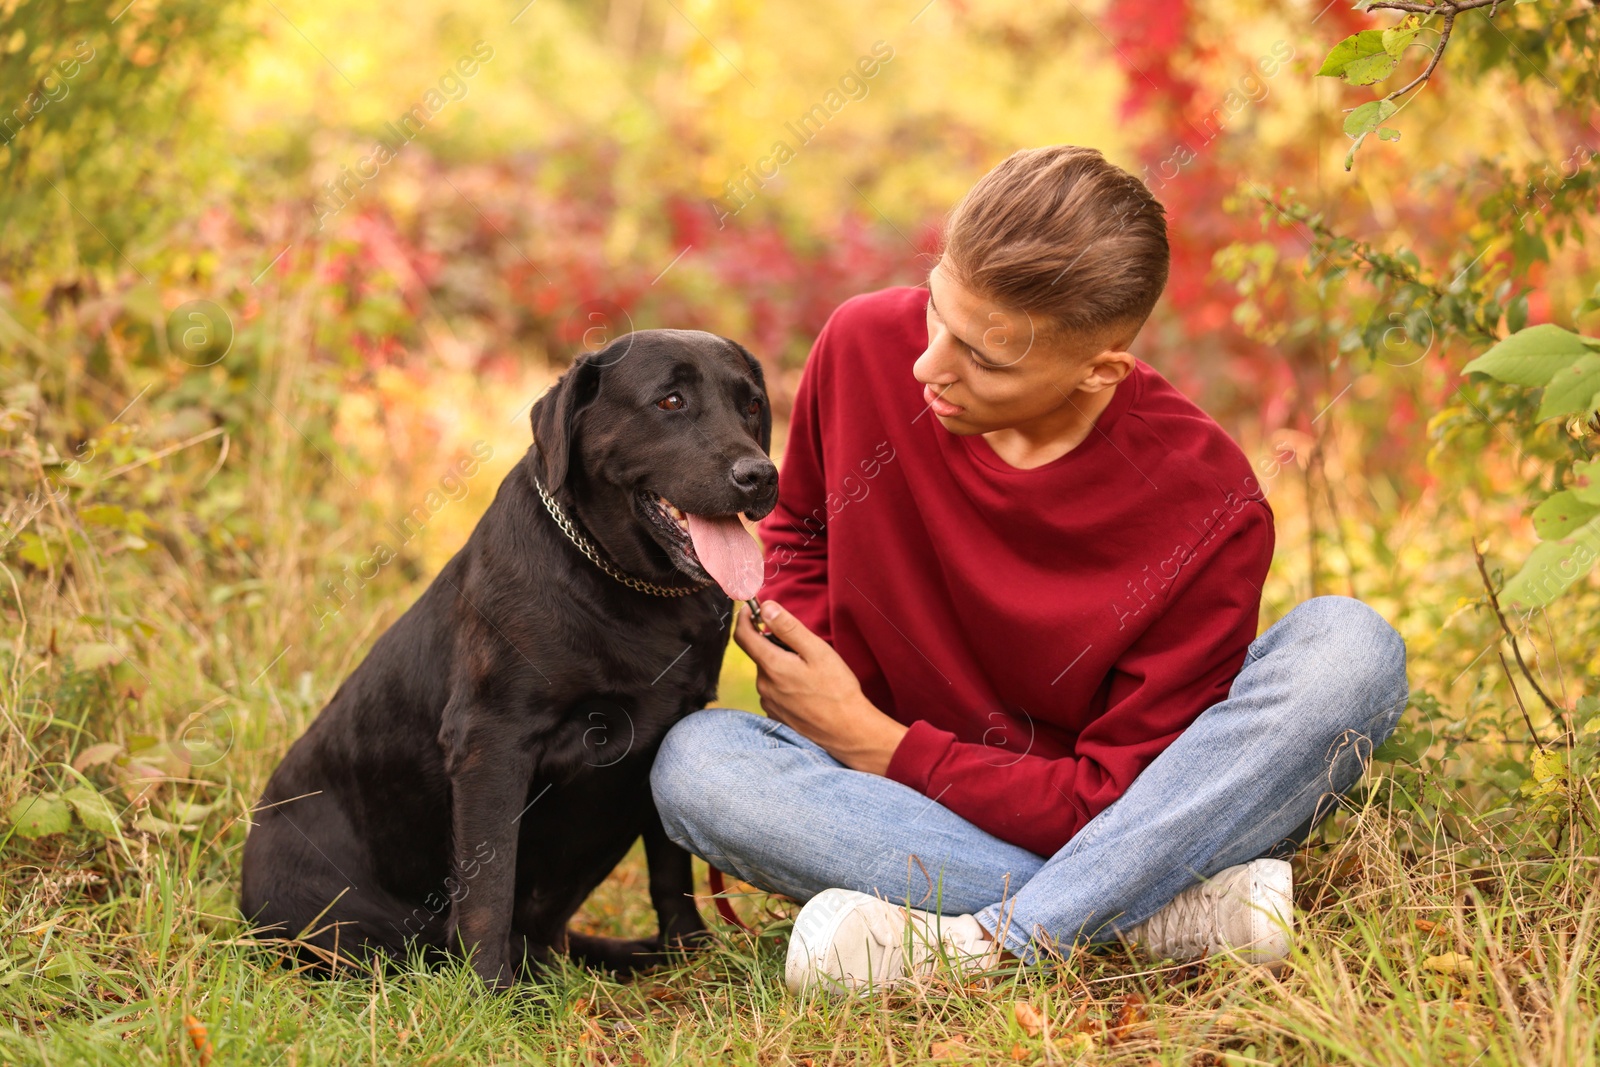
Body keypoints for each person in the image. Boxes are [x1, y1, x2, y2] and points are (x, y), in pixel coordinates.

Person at [649, 145, 1409, 996]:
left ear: (1101, 369)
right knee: (699, 762)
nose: (928, 366)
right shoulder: (863, 342)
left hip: (1079, 801)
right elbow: (801, 531)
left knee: (1351, 647)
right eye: (938, 311)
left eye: (986, 356)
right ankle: (1156, 910)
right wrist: (809, 659)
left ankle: (996, 941)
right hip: (888, 802)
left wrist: (883, 743)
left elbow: (1110, 801)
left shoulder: (1206, 504)